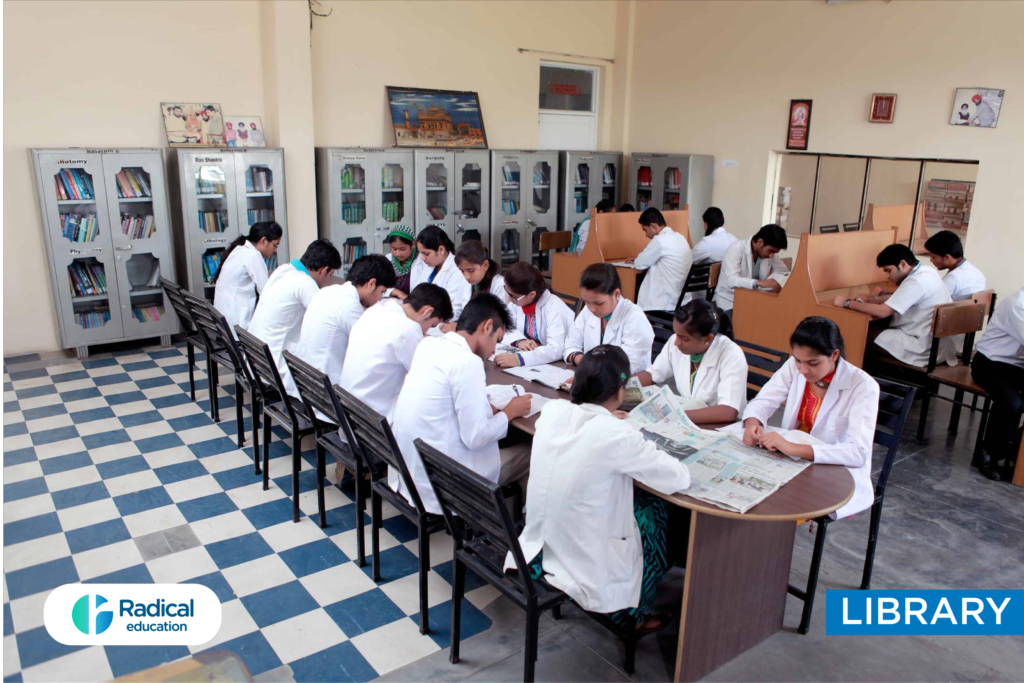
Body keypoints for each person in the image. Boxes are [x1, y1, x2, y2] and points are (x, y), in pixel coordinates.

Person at [506, 345, 691, 634]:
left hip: (544, 539)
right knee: (655, 511)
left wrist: (607, 420)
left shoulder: (554, 410)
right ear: (620, 391)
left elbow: (587, 429)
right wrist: (623, 429)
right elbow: (676, 478)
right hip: (582, 555)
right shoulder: (616, 433)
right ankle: (634, 614)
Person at [392, 294, 532, 514]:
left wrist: (492, 410)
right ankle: (512, 534)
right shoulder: (469, 363)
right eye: (497, 340)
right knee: (530, 452)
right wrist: (509, 412)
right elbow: (476, 438)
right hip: (447, 481)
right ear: (487, 326)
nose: (495, 350)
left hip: (411, 468)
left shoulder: (429, 344)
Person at [741, 318, 880, 519]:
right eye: (798, 360)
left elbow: (858, 453)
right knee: (749, 488)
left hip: (833, 472)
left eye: (813, 363)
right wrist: (753, 423)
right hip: (789, 458)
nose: (803, 370)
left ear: (834, 355)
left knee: (773, 504)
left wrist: (793, 448)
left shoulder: (863, 386)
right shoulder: (794, 365)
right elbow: (765, 399)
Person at [340, 283, 453, 425]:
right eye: (431, 325)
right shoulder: (408, 329)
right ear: (427, 311)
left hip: (350, 412)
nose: (426, 332)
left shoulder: (377, 309)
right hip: (375, 422)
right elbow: (428, 375)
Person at [833, 244, 956, 368]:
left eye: (888, 270)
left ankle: (866, 379)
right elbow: (901, 297)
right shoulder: (927, 272)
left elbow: (883, 312)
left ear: (903, 264)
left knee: (859, 333)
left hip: (922, 348)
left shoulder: (916, 282)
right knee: (870, 329)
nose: (887, 276)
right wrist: (868, 299)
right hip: (937, 345)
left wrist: (846, 303)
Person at [248, 239, 341, 396]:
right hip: (273, 366)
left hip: (255, 357)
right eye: (330, 275)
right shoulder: (305, 283)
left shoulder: (283, 270)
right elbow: (326, 316)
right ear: (323, 270)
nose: (328, 280)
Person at [635, 299, 747, 425]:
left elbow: (727, 411)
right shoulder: (676, 342)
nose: (676, 342)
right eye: (676, 334)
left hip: (718, 426)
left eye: (685, 338)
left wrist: (674, 415)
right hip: (689, 420)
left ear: (708, 339)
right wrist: (621, 385)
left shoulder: (731, 355)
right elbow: (653, 374)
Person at [295, 254, 395, 388]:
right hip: (327, 392)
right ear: (371, 284)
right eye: (382, 292)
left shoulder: (329, 291)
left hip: (309, 384)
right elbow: (373, 348)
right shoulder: (349, 306)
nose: (379, 299)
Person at [970, 287, 1024, 482]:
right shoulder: (1018, 305)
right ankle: (988, 454)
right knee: (1012, 404)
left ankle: (1015, 448)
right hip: (990, 364)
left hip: (1015, 367)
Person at [564, 264, 654, 374]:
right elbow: (570, 345)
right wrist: (583, 362)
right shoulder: (588, 311)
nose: (592, 309)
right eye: (586, 302)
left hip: (625, 384)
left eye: (599, 303)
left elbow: (626, 365)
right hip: (594, 377)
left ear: (616, 294)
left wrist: (591, 370)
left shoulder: (634, 317)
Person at [495, 262, 575, 368]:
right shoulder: (518, 302)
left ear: (532, 294)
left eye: (513, 296)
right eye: (508, 293)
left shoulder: (553, 307)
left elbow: (555, 349)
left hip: (559, 365)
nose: (509, 299)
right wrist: (519, 341)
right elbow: (503, 327)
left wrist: (519, 359)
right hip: (536, 360)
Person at [213, 221, 282, 334]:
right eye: (275, 245)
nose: (275, 250)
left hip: (223, 322)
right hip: (236, 327)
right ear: (264, 240)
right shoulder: (253, 255)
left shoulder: (239, 249)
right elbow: (266, 292)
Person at [716, 224, 790, 314]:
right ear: (760, 242)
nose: (772, 255)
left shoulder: (769, 254)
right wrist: (758, 282)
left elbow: (784, 272)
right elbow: (731, 280)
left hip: (755, 300)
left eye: (775, 252)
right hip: (730, 301)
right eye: (771, 251)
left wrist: (776, 280)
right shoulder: (736, 249)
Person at [628, 208, 692, 311]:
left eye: (645, 230)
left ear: (653, 226)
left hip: (667, 302)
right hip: (682, 300)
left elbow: (639, 264)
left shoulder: (660, 240)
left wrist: (637, 259)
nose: (646, 235)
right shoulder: (680, 237)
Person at [410, 225, 470, 328]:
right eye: (421, 254)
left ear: (441, 249)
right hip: (421, 317)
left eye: (426, 253)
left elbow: (452, 308)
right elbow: (415, 295)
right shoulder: (426, 264)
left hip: (440, 322)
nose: (423, 258)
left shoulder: (457, 269)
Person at [923, 230, 986, 301]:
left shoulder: (953, 277)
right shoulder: (976, 272)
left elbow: (930, 301)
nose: (931, 260)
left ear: (947, 257)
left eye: (933, 257)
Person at [383, 224, 416, 298]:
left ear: (413, 245)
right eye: (394, 249)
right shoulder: (388, 260)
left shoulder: (421, 261)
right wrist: (394, 292)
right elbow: (379, 285)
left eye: (402, 249)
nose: (397, 254)